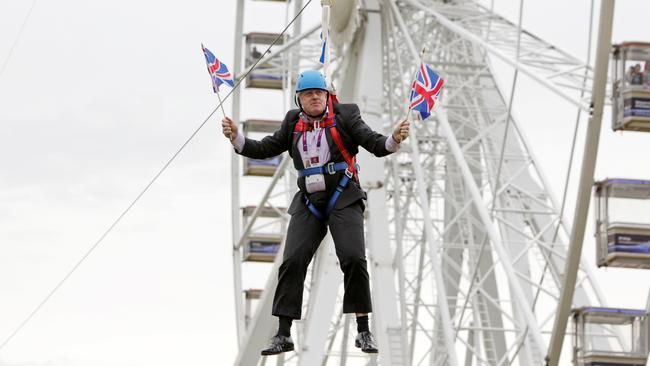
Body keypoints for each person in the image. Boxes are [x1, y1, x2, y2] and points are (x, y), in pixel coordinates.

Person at [221, 70, 410, 356]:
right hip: (309, 201)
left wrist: (393, 140)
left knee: (353, 257)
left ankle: (363, 330)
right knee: (293, 261)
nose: (315, 97)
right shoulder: (292, 123)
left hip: (343, 197)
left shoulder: (346, 115)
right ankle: (283, 334)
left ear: (327, 95)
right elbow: (265, 148)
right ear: (299, 99)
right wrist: (237, 138)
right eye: (309, 94)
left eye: (319, 93)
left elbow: (373, 142)